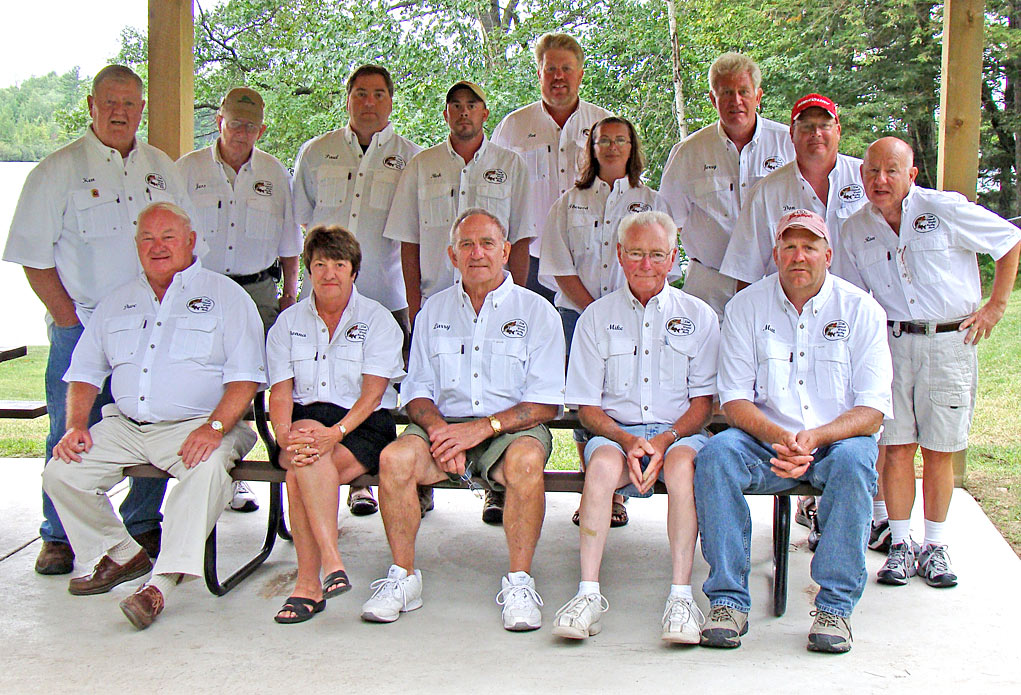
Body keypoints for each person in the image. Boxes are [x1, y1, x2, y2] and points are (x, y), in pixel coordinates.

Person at [41, 202, 265, 630]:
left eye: (167, 237)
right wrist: (76, 426)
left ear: (191, 242)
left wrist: (215, 427)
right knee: (62, 472)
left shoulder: (226, 297)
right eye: (147, 238)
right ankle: (124, 554)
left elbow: (246, 378)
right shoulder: (118, 301)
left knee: (206, 471)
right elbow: (85, 372)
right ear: (136, 245)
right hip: (125, 427)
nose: (157, 246)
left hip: (200, 425)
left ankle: (159, 586)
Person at [3, 65, 190, 576]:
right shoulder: (57, 171)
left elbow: (185, 243)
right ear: (91, 105)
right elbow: (33, 258)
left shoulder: (161, 169)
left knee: (152, 422)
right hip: (83, 327)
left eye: (129, 103)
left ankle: (141, 522)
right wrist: (69, 323)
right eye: (109, 102)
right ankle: (59, 536)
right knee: (70, 429)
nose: (119, 112)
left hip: (152, 331)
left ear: (142, 109)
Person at [694, 209, 893, 653]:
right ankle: (727, 601)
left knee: (856, 462)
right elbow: (734, 399)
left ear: (828, 254)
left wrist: (814, 438)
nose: (798, 256)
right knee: (716, 456)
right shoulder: (746, 307)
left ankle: (835, 609)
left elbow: (872, 410)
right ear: (776, 253)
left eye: (809, 247)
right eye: (789, 246)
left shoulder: (861, 310)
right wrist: (780, 438)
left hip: (836, 441)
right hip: (764, 441)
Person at [361, 209, 565, 632]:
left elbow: (545, 404)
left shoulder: (536, 311)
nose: (477, 254)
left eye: (487, 244)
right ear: (452, 256)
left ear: (505, 251)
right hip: (443, 426)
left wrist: (481, 429)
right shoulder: (432, 311)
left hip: (511, 431)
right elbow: (416, 390)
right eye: (466, 245)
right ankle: (403, 578)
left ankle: (519, 583)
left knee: (527, 462)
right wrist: (440, 433)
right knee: (395, 459)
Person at [840, 137, 1021, 587]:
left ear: (911, 174)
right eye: (872, 171)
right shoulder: (854, 229)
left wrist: (996, 306)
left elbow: (1008, 239)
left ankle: (936, 547)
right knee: (896, 447)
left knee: (940, 449)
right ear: (862, 175)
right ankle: (901, 545)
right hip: (892, 344)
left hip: (949, 342)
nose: (881, 180)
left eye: (891, 170)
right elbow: (853, 297)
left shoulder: (944, 209)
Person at [552, 210, 719, 643]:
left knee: (682, 468)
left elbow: (703, 403)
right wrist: (628, 440)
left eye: (657, 254)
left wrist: (663, 440)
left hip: (678, 435)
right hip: (616, 433)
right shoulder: (594, 318)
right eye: (637, 253)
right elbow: (587, 407)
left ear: (673, 258)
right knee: (602, 468)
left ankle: (681, 597)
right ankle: (587, 594)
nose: (646, 264)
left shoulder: (699, 316)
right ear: (620, 255)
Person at [292, 64, 423, 518]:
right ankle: (343, 477)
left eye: (379, 94)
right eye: (361, 93)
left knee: (385, 393)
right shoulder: (316, 152)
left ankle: (382, 478)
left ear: (391, 101)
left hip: (386, 297)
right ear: (347, 98)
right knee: (327, 387)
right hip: (324, 300)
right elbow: (305, 218)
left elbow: (414, 232)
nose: (369, 102)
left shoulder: (411, 158)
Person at [266, 226, 405, 623]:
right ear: (308, 270)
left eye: (339, 265)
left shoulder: (377, 320)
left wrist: (336, 433)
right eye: (320, 264)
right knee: (305, 454)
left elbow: (373, 395)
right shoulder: (287, 322)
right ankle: (329, 565)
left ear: (354, 272)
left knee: (300, 472)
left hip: (362, 424)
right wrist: (284, 436)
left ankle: (309, 583)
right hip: (304, 425)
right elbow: (280, 394)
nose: (329, 273)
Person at [540, 115, 673, 527]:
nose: (612, 147)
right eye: (604, 140)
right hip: (575, 315)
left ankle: (617, 488)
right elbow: (558, 264)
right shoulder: (568, 202)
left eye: (621, 140)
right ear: (592, 148)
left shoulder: (652, 201)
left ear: (632, 148)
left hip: (638, 316)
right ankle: (594, 488)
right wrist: (595, 311)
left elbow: (660, 261)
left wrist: (619, 309)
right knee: (586, 400)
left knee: (622, 393)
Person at [177, 86, 302, 514]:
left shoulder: (274, 172)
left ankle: (274, 468)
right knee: (206, 378)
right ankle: (221, 471)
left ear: (261, 130)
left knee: (259, 382)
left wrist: (290, 293)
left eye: (250, 125)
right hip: (201, 291)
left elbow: (289, 241)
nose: (241, 131)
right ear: (219, 121)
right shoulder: (186, 169)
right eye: (234, 123)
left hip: (258, 291)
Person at [384, 80, 534, 323]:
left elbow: (520, 239)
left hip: (496, 304)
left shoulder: (511, 165)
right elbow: (409, 243)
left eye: (471, 105)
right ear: (446, 115)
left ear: (485, 114)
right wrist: (414, 308)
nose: (464, 112)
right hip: (435, 303)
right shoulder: (421, 166)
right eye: (456, 106)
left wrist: (514, 302)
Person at [660, 52, 795, 319]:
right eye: (726, 93)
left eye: (744, 91)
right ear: (713, 99)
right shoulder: (689, 152)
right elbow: (665, 223)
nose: (736, 101)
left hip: (776, 284)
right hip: (709, 286)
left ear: (758, 96)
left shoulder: (788, 144)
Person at [491, 33, 613, 301]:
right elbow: (493, 197)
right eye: (551, 69)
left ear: (580, 75)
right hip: (529, 261)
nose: (559, 76)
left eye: (566, 69)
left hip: (591, 260)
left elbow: (622, 191)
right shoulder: (512, 128)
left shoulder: (605, 124)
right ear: (539, 74)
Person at [719, 93, 866, 286]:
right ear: (791, 134)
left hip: (858, 303)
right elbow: (746, 272)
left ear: (838, 131)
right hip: (789, 304)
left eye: (824, 125)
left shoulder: (867, 178)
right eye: (806, 126)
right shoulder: (765, 193)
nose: (816, 132)